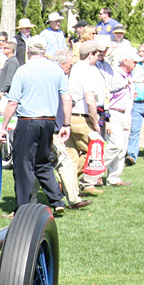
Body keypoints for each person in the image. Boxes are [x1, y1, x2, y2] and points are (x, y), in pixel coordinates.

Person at [1, 38, 71, 215]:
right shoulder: (56, 69)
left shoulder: (23, 70)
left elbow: (12, 102)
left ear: (28, 51)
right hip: (49, 121)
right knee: (43, 162)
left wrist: (3, 126)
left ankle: (22, 208)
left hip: (28, 121)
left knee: (23, 165)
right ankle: (56, 200)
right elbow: (67, 98)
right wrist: (66, 124)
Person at [50, 50, 90, 211]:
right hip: (51, 127)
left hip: (48, 126)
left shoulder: (53, 77)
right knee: (63, 162)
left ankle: (29, 201)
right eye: (69, 65)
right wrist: (63, 125)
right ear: (61, 64)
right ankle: (72, 199)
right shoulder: (57, 78)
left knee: (45, 164)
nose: (70, 68)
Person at [67, 42, 108, 196]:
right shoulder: (88, 70)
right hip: (82, 117)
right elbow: (90, 100)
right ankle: (64, 180)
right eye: (97, 55)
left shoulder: (75, 68)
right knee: (92, 152)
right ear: (90, 54)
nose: (98, 58)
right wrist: (95, 121)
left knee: (72, 155)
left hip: (71, 115)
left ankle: (70, 187)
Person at [103, 46, 136, 186]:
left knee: (122, 147)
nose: (136, 63)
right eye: (133, 60)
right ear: (125, 61)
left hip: (126, 112)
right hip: (114, 111)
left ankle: (114, 177)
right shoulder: (114, 74)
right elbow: (108, 91)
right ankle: (94, 171)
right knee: (115, 145)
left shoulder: (130, 75)